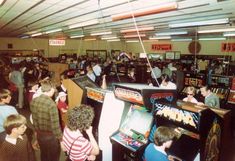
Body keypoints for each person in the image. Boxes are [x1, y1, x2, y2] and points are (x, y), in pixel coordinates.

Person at [30, 81, 63, 161]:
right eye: (53, 90)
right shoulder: (51, 104)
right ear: (50, 90)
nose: (54, 91)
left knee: (44, 153)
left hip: (40, 134)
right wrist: (61, 138)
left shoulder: (33, 100)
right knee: (53, 156)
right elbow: (55, 125)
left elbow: (34, 119)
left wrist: (36, 132)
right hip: (51, 136)